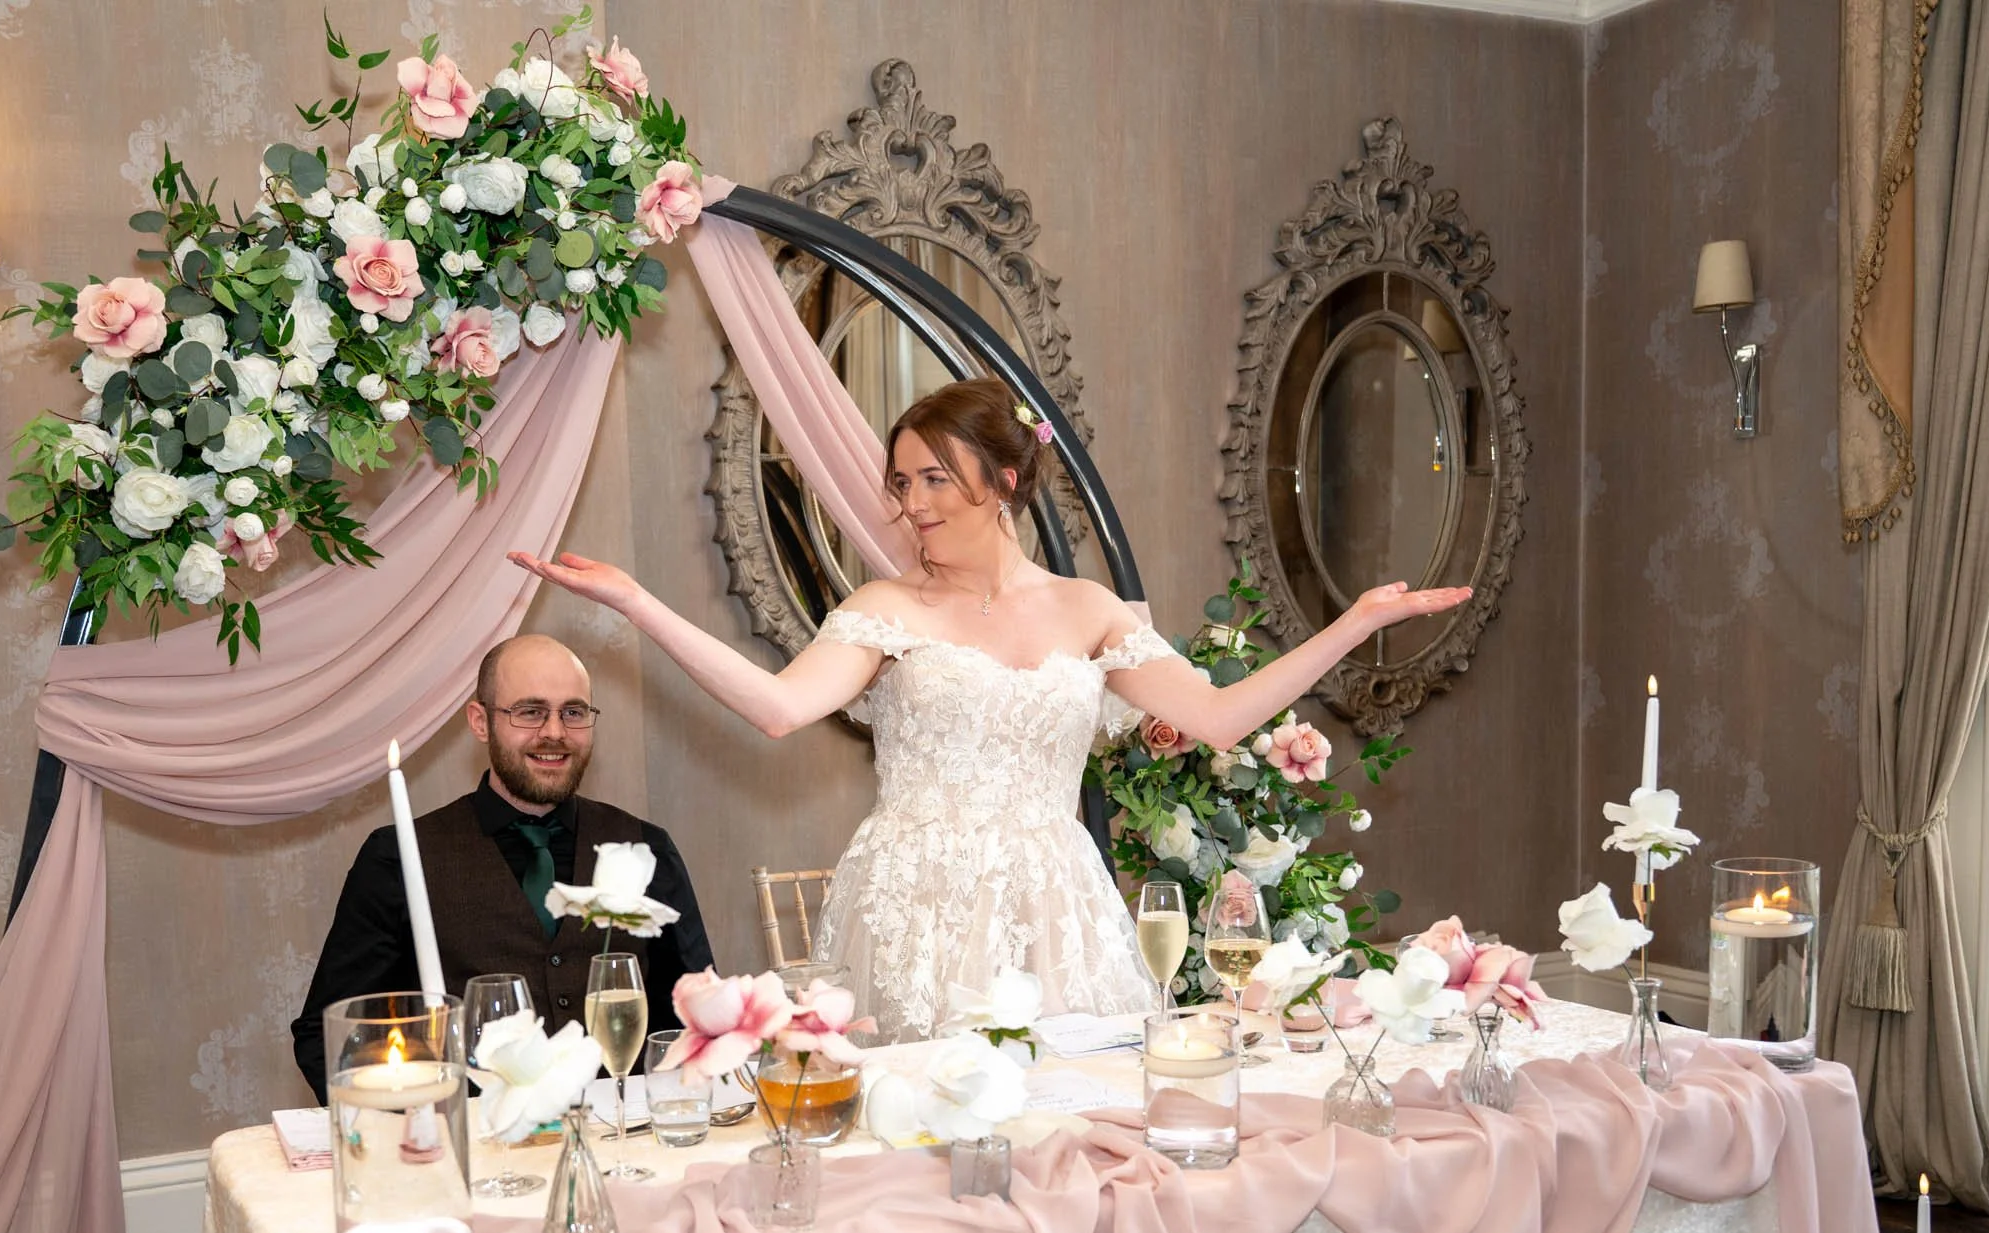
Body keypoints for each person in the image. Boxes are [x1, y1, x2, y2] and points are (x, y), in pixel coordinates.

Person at [512, 378, 1468, 1042]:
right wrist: (638, 603)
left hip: (1059, 904)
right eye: (902, 482)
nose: (911, 504)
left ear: (1004, 482)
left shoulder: (1090, 608)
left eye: (936, 479)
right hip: (916, 903)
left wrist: (1355, 622)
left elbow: (1219, 717)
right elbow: (775, 706)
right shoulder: (884, 609)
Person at [291, 633, 715, 1102]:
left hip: (623, 1143)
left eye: (572, 712)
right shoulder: (396, 858)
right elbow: (327, 1036)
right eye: (530, 711)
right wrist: (418, 1138)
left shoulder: (645, 847)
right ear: (480, 722)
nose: (554, 731)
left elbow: (698, 1017)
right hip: (480, 1159)